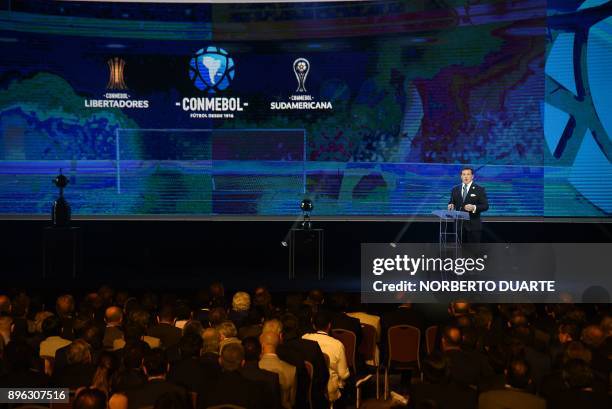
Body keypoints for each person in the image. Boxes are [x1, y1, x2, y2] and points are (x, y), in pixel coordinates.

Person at [447, 167, 489, 243]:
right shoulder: (455, 189)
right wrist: (451, 205)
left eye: (468, 174)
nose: (466, 176)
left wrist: (474, 207)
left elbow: (485, 206)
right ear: (461, 176)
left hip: (473, 227)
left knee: (473, 253)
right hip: (459, 227)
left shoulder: (479, 189)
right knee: (459, 252)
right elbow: (451, 201)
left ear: (472, 176)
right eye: (464, 174)